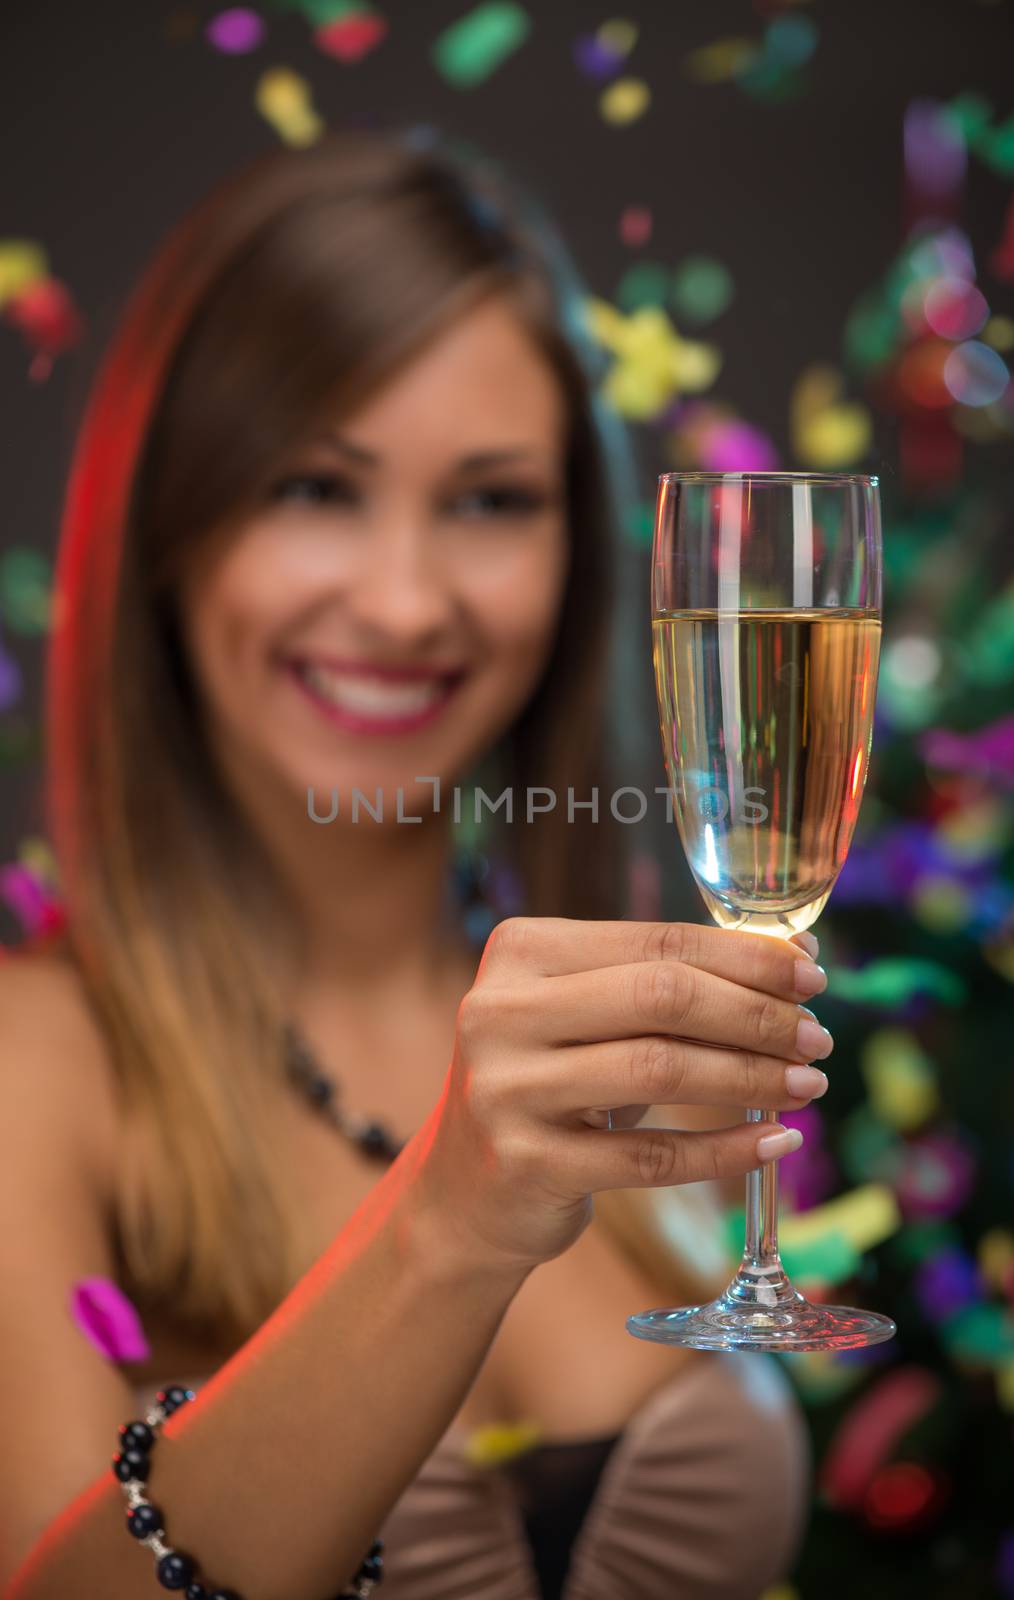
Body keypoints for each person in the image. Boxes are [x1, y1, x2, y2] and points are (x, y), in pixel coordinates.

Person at [1, 130, 832, 1600]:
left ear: (577, 552)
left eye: (491, 500)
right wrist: (443, 1223)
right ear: (171, 534)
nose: (402, 599)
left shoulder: (642, 1024)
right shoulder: (37, 1062)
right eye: (317, 488)